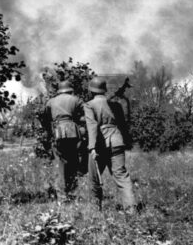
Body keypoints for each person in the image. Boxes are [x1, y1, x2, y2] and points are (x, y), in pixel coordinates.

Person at [84, 77, 138, 213]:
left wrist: (92, 147)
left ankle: (95, 211)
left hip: (99, 144)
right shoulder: (114, 104)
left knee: (94, 178)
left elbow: (92, 126)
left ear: (91, 90)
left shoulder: (89, 105)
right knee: (122, 176)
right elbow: (123, 124)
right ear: (104, 90)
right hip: (117, 141)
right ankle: (131, 210)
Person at [43, 80, 84, 201]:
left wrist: (50, 132)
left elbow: (45, 119)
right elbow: (86, 115)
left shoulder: (51, 101)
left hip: (58, 133)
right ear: (70, 89)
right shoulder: (76, 99)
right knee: (73, 162)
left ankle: (62, 196)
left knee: (61, 164)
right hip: (74, 132)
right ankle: (72, 192)